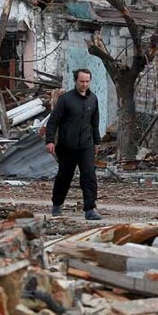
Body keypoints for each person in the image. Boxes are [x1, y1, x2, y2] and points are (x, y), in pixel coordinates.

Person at [45, 68, 102, 220]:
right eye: (81, 81)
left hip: (86, 145)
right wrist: (50, 140)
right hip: (66, 146)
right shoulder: (66, 99)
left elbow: (95, 123)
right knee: (64, 177)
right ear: (76, 81)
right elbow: (53, 121)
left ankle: (90, 209)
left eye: (87, 81)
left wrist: (97, 142)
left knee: (89, 176)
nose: (84, 84)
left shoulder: (93, 99)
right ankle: (57, 205)